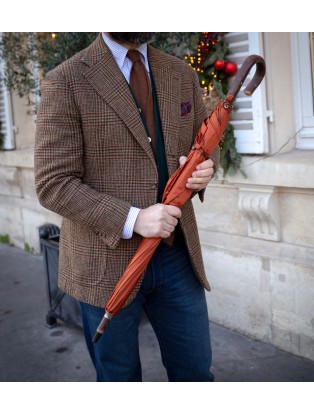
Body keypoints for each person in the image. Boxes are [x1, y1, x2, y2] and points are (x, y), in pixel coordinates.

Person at [34, 32, 219, 382]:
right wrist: (133, 219)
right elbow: (53, 184)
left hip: (176, 255)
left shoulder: (182, 73)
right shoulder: (66, 80)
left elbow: (203, 140)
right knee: (119, 379)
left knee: (196, 373)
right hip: (103, 264)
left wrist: (207, 168)